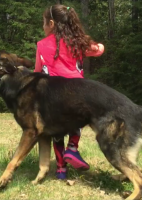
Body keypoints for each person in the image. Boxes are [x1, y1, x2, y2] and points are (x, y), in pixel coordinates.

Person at [34, 4, 104, 179]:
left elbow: (37, 72)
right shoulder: (77, 42)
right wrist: (96, 45)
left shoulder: (42, 45)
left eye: (43, 23)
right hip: (76, 93)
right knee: (77, 121)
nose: (43, 27)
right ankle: (72, 148)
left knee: (57, 132)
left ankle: (60, 169)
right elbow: (99, 50)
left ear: (51, 24)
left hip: (53, 95)